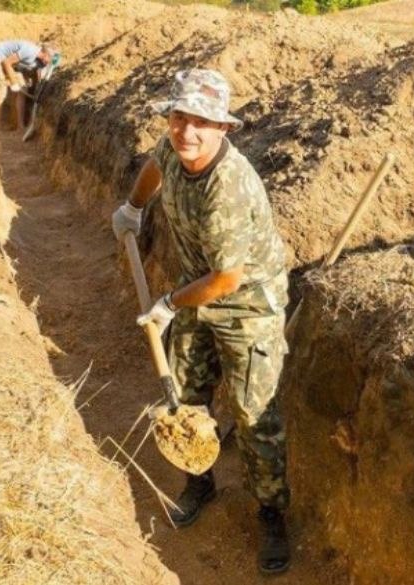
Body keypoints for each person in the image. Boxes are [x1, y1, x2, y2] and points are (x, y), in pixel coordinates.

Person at [111, 69, 291, 575]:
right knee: (186, 394)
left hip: (247, 306)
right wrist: (133, 207)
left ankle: (271, 513)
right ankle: (199, 480)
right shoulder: (175, 147)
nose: (186, 131)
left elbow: (228, 279)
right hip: (196, 289)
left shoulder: (227, 188)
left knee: (254, 415)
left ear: (224, 128)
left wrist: (169, 303)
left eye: (201, 122)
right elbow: (156, 164)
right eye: (178, 117)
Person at [0, 40, 56, 130]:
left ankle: (19, 126)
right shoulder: (29, 51)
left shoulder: (41, 61)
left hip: (12, 64)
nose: (50, 62)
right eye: (50, 59)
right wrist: (13, 82)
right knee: (1, 92)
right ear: (45, 55)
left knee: (23, 90)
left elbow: (37, 75)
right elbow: (6, 62)